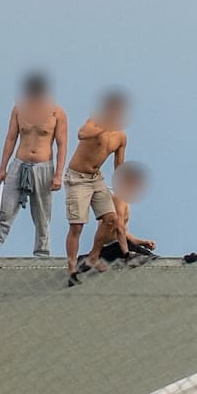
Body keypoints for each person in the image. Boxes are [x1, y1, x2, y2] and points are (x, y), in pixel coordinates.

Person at [0, 72, 67, 271]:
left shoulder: (57, 113)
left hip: (44, 166)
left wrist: (58, 174)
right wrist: (2, 167)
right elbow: (11, 138)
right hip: (19, 163)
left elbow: (62, 145)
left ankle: (41, 256)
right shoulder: (19, 110)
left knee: (42, 215)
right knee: (4, 210)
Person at [64, 90, 130, 285]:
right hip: (77, 177)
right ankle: (72, 268)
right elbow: (81, 134)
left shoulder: (121, 137)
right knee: (77, 225)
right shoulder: (95, 122)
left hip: (96, 178)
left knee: (111, 219)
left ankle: (94, 256)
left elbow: (119, 164)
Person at [79, 161, 156, 272]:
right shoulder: (119, 199)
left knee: (147, 255)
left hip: (115, 244)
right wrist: (127, 254)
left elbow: (123, 232)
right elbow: (119, 227)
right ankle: (89, 258)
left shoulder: (123, 200)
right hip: (114, 246)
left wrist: (143, 242)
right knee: (150, 258)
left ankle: (91, 257)